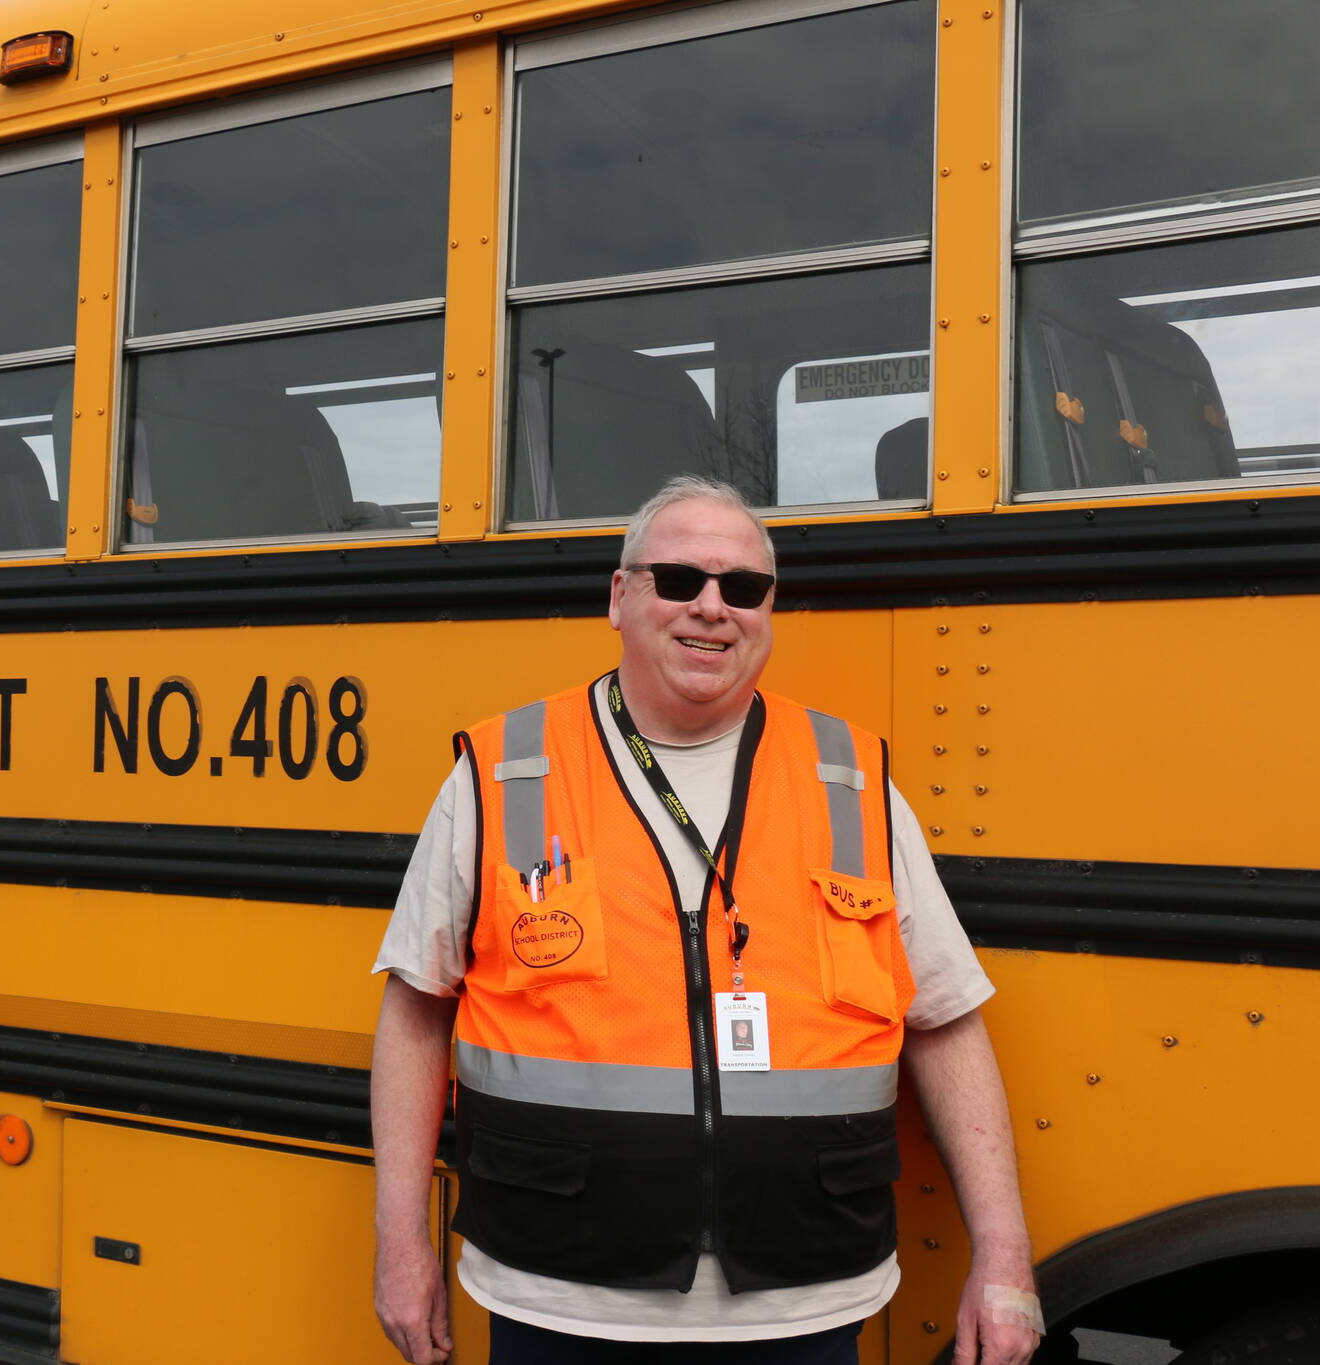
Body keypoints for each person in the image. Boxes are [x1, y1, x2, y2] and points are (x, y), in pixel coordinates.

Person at [370, 476, 1041, 1365]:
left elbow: (946, 1020)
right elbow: (417, 1012)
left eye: (744, 587)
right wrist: (400, 1240)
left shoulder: (848, 780)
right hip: (561, 1297)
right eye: (679, 579)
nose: (713, 608)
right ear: (620, 596)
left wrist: (1003, 1256)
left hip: (806, 1302)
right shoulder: (507, 772)